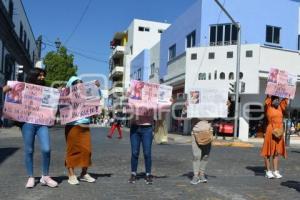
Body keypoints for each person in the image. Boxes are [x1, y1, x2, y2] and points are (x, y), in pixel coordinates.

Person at [2, 68, 58, 188]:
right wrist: (10, 87)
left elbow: (54, 101)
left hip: (41, 123)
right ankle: (30, 177)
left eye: (43, 75)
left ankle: (45, 176)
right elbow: (4, 90)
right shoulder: (23, 87)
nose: (42, 78)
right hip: (27, 123)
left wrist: (59, 93)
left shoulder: (46, 90)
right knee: (29, 150)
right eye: (40, 75)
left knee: (46, 149)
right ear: (33, 76)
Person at [64, 76, 97, 185]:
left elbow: (95, 103)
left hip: (85, 124)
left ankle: (84, 173)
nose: (79, 87)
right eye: (76, 85)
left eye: (80, 85)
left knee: (87, 150)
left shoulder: (85, 95)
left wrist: (95, 88)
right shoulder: (65, 95)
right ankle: (71, 174)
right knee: (72, 150)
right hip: (72, 125)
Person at [260, 95, 288, 179]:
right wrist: (269, 94)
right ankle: (268, 171)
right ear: (272, 100)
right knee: (268, 152)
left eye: (278, 99)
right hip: (270, 130)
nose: (277, 101)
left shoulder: (280, 107)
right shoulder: (268, 106)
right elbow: (267, 99)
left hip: (279, 131)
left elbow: (286, 99)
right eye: (275, 99)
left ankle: (275, 171)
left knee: (276, 152)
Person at [190, 119, 212, 185]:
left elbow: (217, 115)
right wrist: (185, 109)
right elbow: (184, 116)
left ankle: (201, 174)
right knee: (196, 155)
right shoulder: (194, 108)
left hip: (208, 132)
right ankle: (196, 176)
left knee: (205, 155)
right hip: (195, 132)